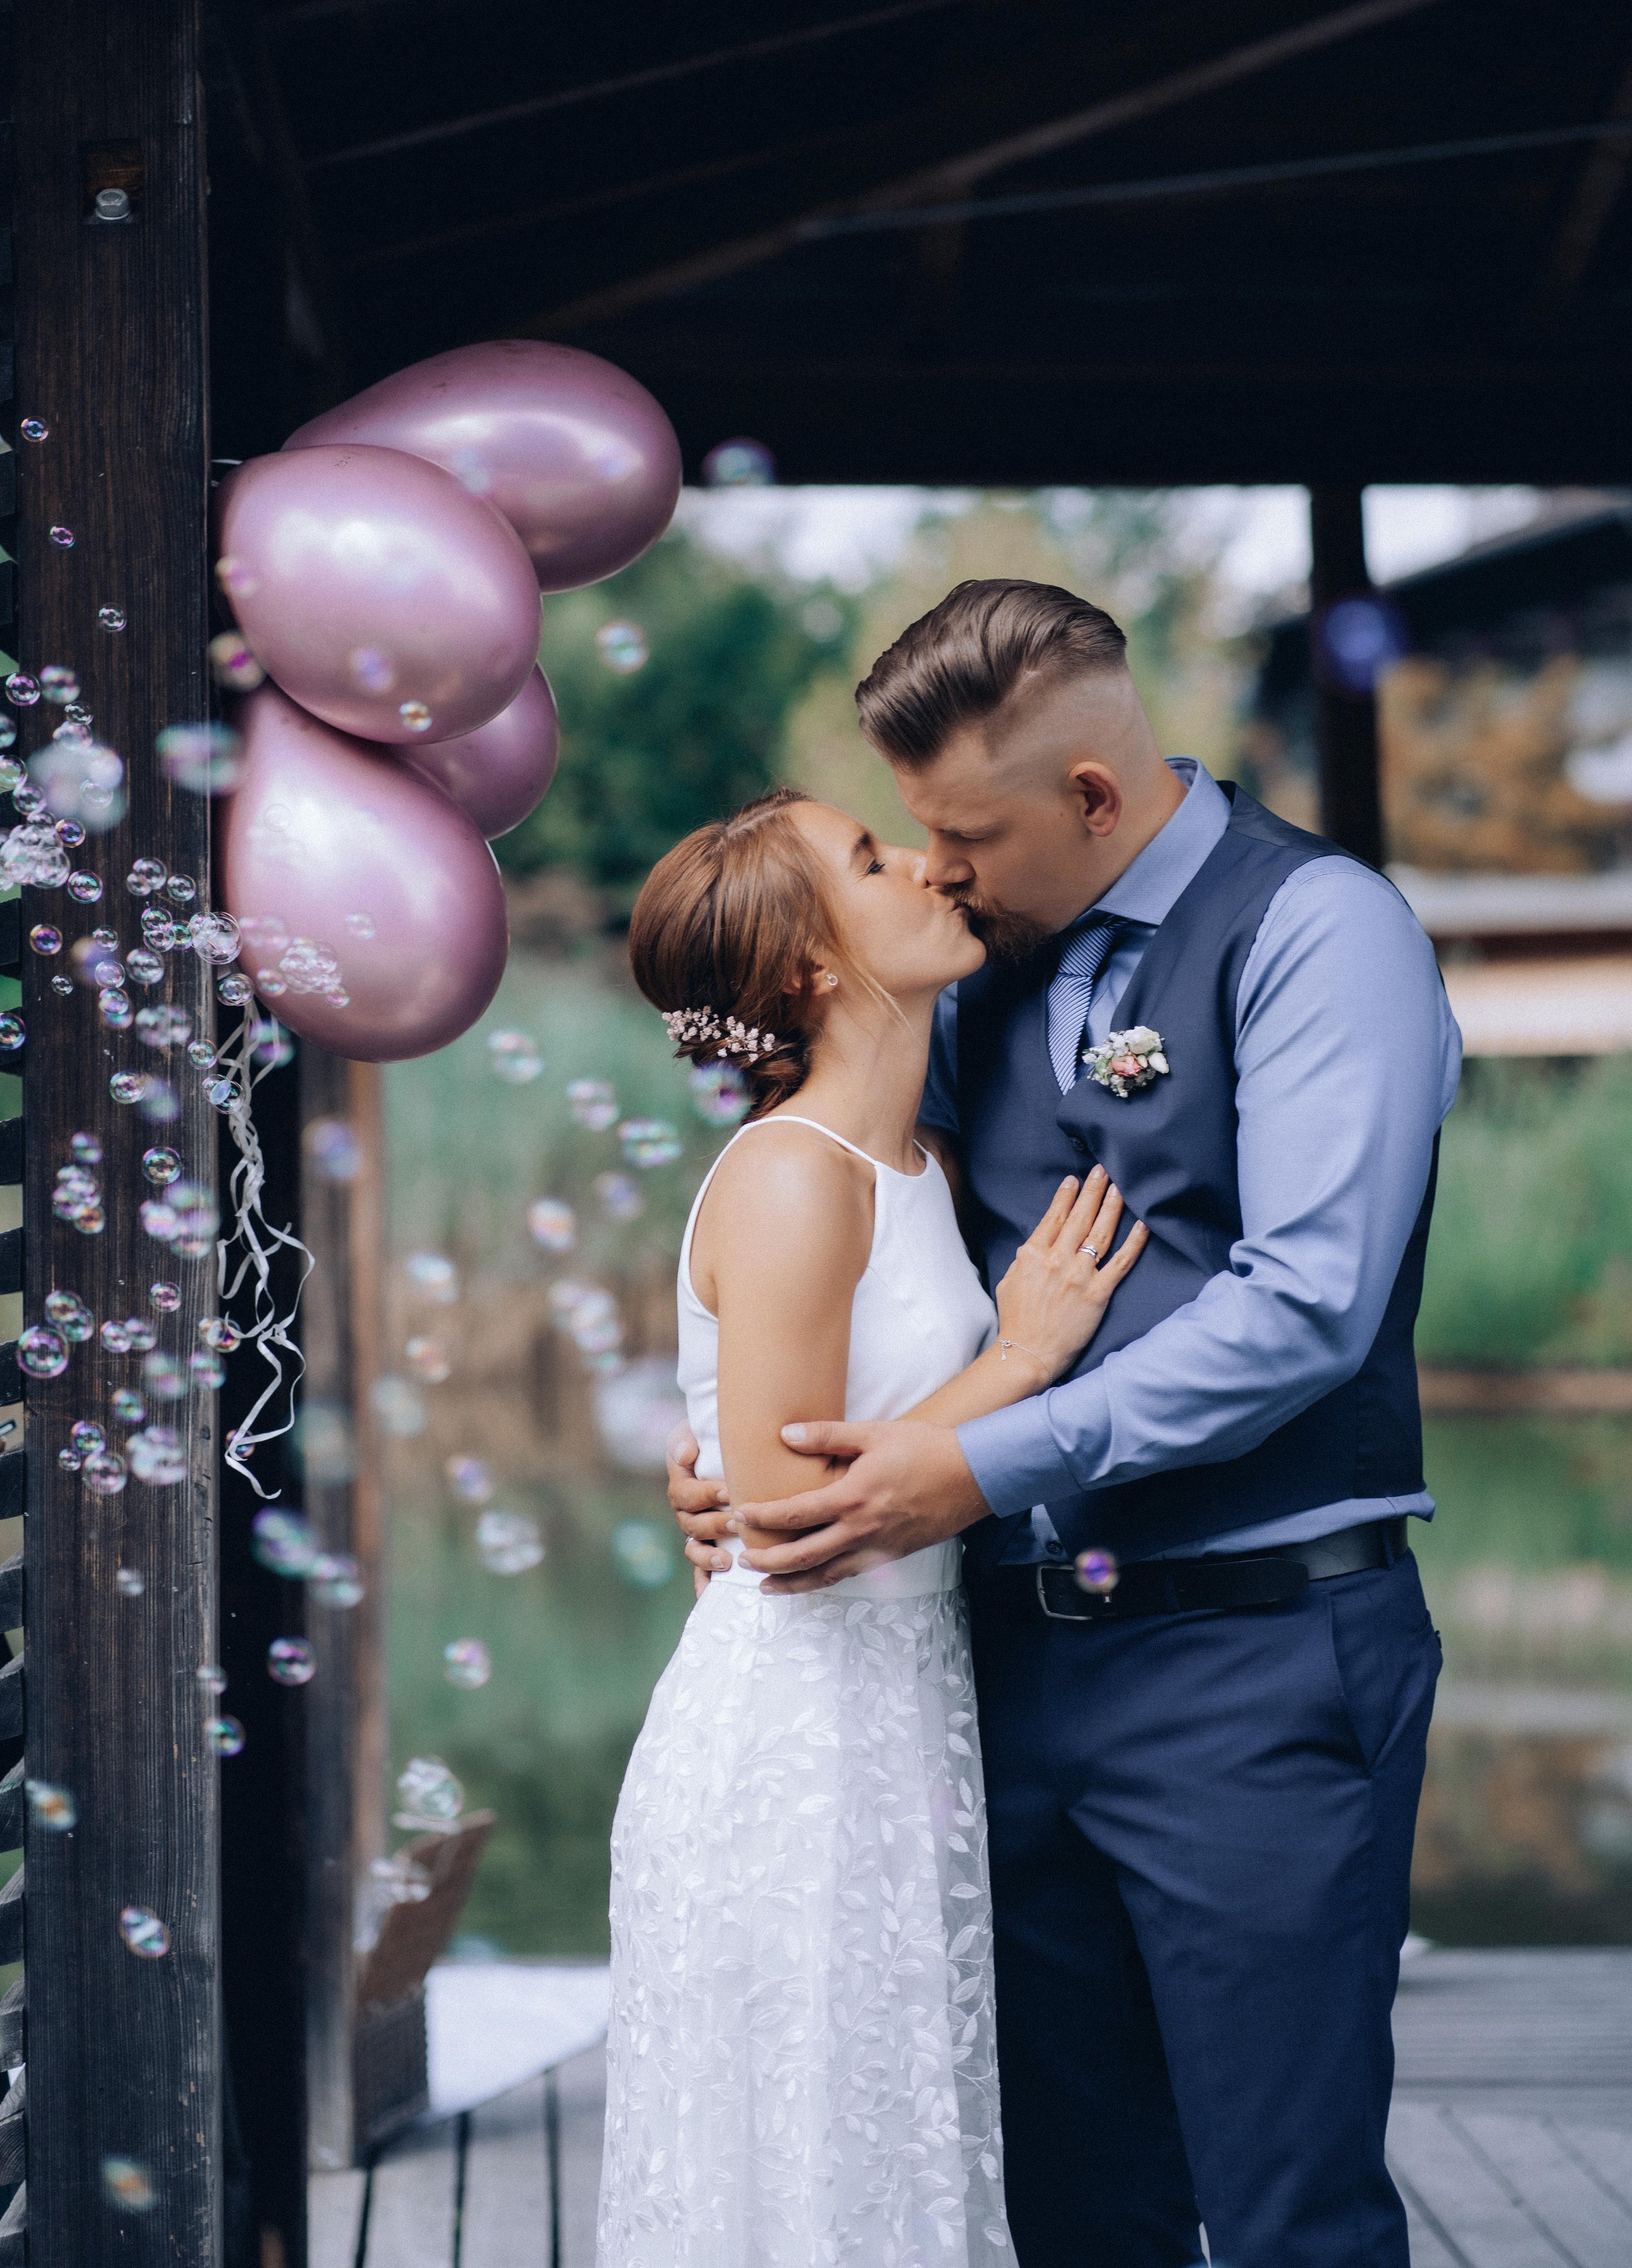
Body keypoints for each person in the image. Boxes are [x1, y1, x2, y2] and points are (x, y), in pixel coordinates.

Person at [669, 580, 1461, 2267]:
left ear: (1093, 797)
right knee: (1067, 2211)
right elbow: (875, 1244)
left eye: (962, 832)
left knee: (1286, 2212)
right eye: (909, 839)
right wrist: (743, 1447)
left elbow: (1307, 1301)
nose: (938, 868)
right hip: (993, 1680)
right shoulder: (967, 978)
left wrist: (974, 1459)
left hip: (1253, 1659)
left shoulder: (1322, 930)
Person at [595, 784, 1147, 2267]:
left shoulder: (925, 1168)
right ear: (808, 969)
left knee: (894, 2155)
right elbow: (781, 1523)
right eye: (867, 858)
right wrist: (1018, 1361)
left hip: (903, 1723)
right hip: (791, 1749)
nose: (920, 863)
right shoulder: (789, 1179)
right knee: (801, 2180)